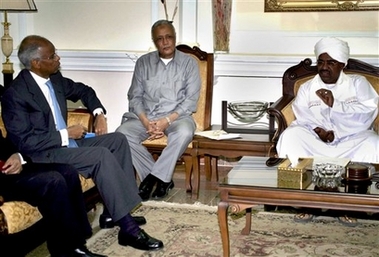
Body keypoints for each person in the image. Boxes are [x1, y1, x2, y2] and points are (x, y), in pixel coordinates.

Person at [0, 35, 163, 251]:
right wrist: (66, 134)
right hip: (43, 154)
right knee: (101, 155)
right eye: (52, 56)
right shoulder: (16, 94)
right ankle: (128, 229)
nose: (58, 59)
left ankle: (110, 214)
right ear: (36, 63)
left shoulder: (55, 79)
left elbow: (84, 90)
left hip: (68, 147)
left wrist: (98, 113)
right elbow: (25, 142)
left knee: (117, 140)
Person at [276, 37, 379, 226]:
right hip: (317, 140)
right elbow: (302, 115)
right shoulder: (308, 87)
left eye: (330, 62)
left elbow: (367, 113)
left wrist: (335, 107)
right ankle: (307, 204)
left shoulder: (358, 83)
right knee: (291, 136)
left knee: (372, 143)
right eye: (321, 62)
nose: (324, 67)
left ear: (342, 65)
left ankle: (349, 206)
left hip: (351, 139)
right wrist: (320, 131)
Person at [116, 20, 201, 201]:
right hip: (146, 118)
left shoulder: (189, 64)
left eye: (169, 37)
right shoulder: (143, 63)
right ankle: (160, 178)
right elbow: (135, 97)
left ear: (175, 38)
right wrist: (146, 122)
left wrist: (166, 121)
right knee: (122, 133)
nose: (165, 42)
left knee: (185, 131)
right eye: (160, 39)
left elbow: (190, 100)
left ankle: (152, 179)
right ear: (155, 41)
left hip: (177, 117)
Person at [0, 130, 104, 257]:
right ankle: (65, 251)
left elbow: (4, 145)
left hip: (8, 170)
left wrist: (16, 156)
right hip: (3, 182)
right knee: (53, 181)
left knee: (68, 171)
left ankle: (78, 241)